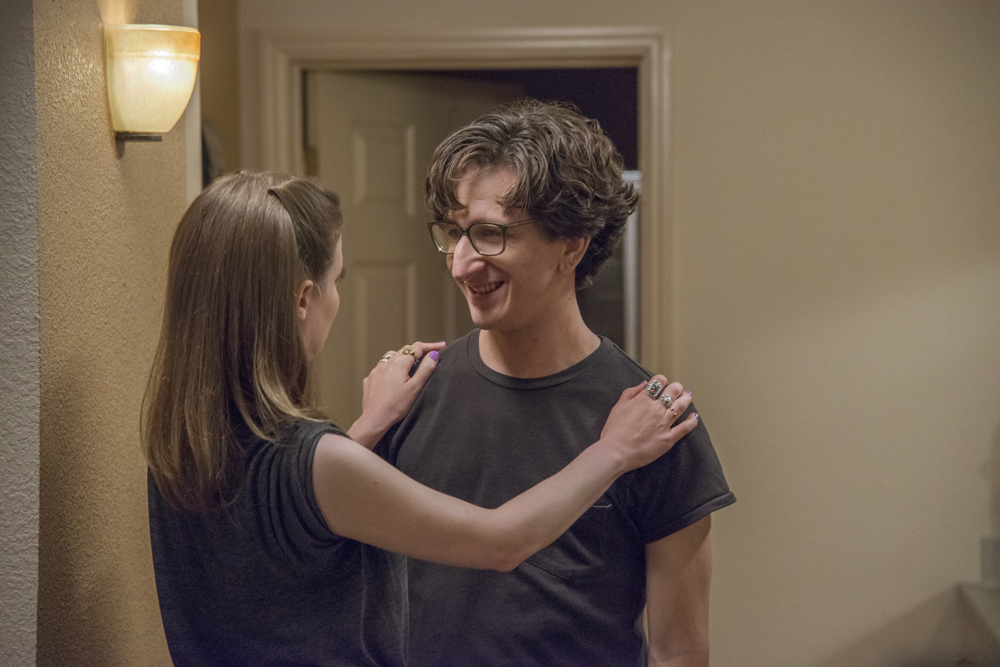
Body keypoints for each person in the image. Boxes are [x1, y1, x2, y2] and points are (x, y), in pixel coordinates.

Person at [141, 171, 697, 667]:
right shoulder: (318, 462)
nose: (462, 261)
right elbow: (501, 542)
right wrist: (613, 450)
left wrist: (364, 431)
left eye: (489, 233)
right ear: (304, 298)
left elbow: (288, 537)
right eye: (338, 280)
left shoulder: (180, 454)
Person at [377, 100, 736, 666]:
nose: (462, 264)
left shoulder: (656, 424)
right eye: (455, 233)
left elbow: (679, 653)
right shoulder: (409, 392)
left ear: (572, 243)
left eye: (491, 234)